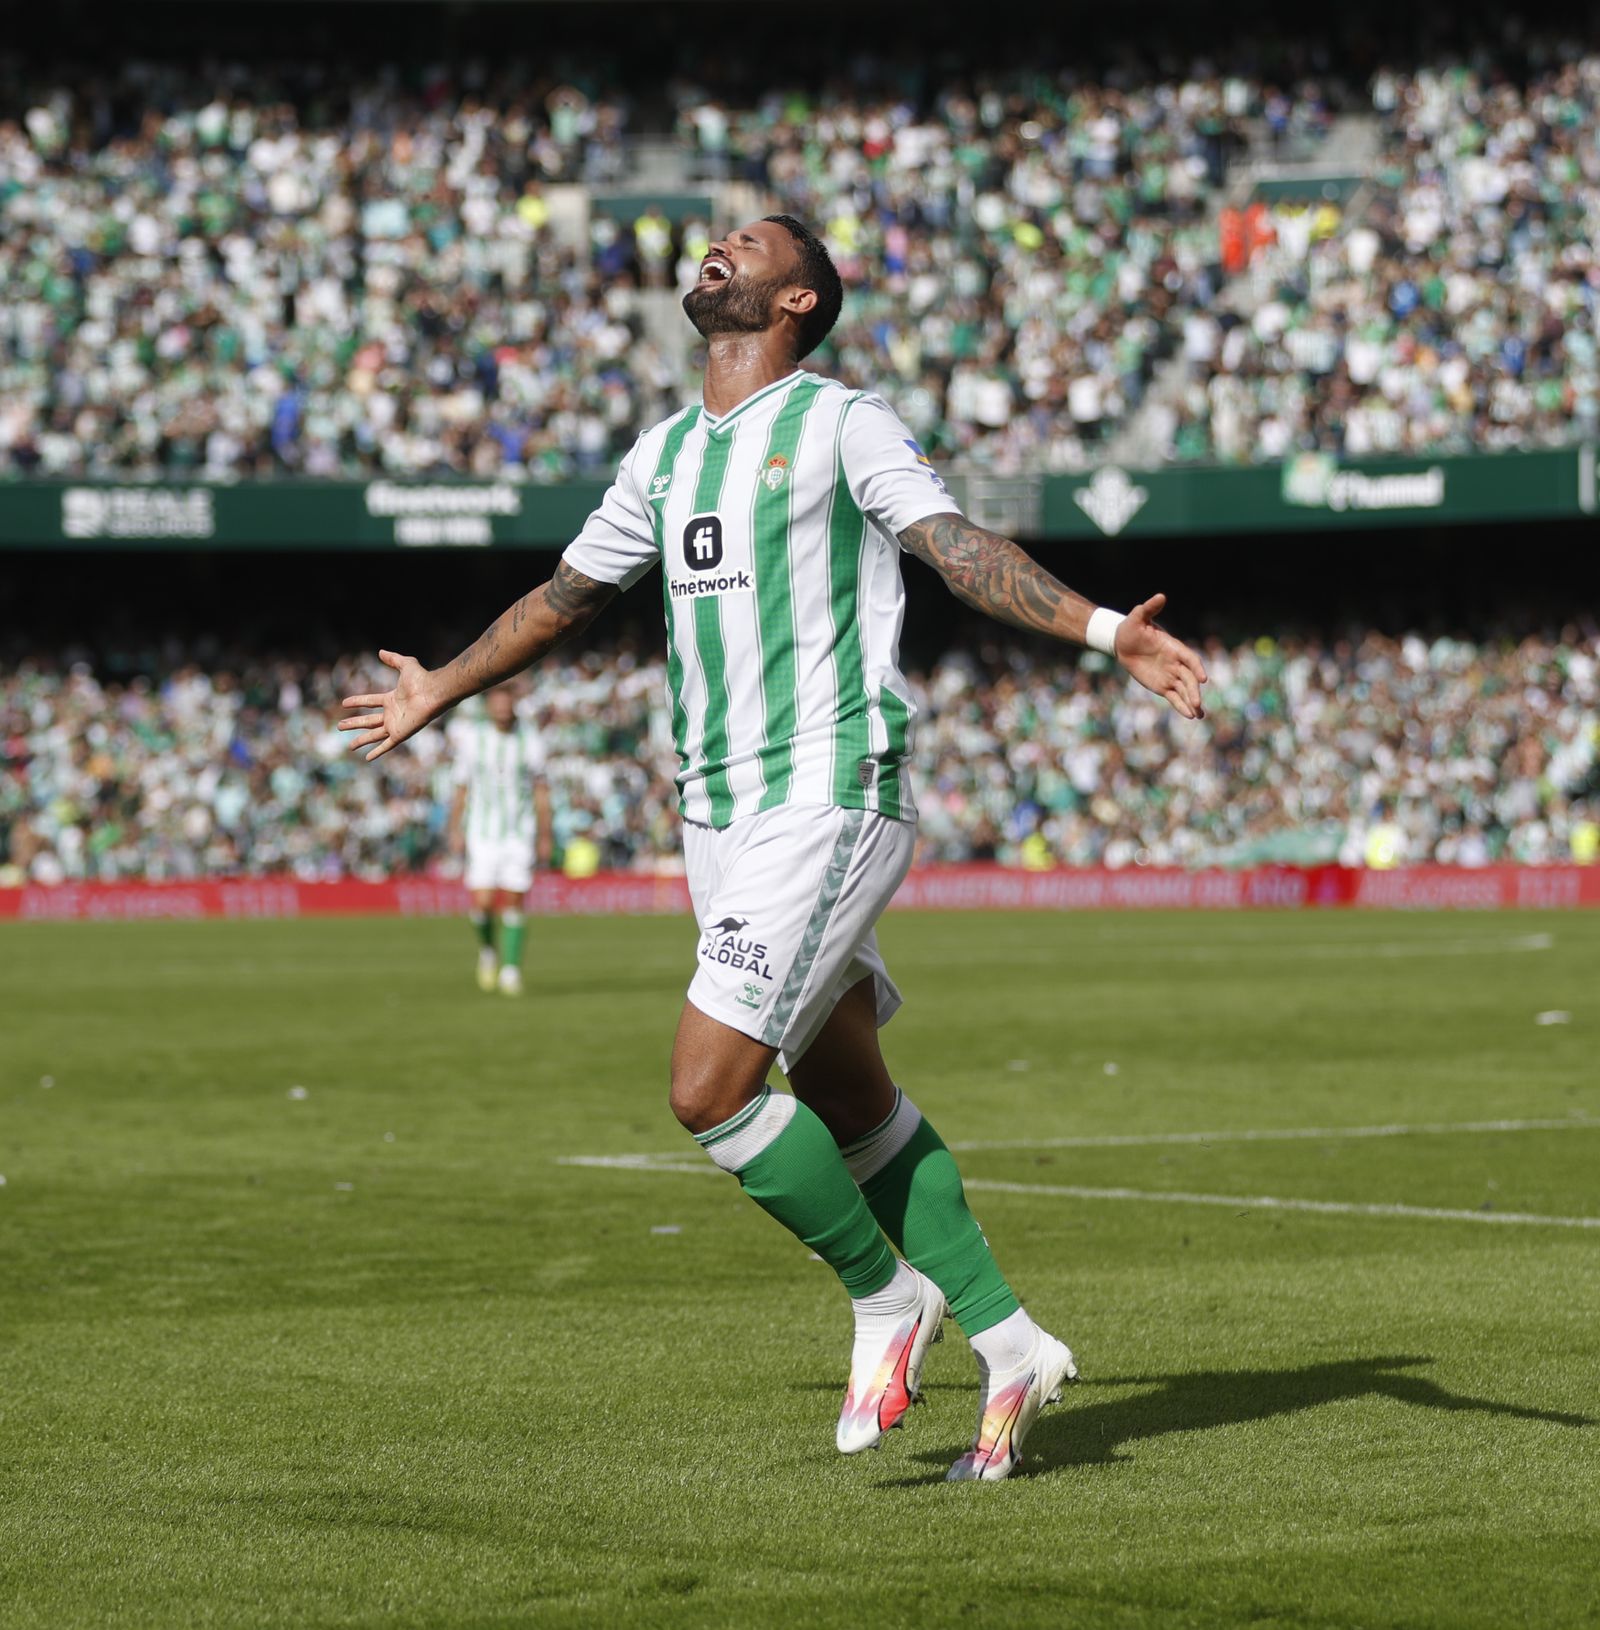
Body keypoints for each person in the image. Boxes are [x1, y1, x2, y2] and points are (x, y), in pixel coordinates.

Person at [341, 215, 1208, 1480]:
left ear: (797, 297)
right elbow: (566, 597)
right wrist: (439, 690)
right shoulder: (663, 455)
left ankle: (883, 1293)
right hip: (717, 812)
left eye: (745, 245)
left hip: (826, 789)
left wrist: (1098, 632)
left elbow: (954, 549)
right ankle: (1012, 1342)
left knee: (707, 1089)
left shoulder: (841, 421)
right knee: (849, 1090)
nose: (715, 249)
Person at [445, 683, 554, 995]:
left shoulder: (531, 742)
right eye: (497, 703)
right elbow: (461, 787)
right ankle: (488, 950)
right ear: (489, 706)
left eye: (507, 703)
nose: (503, 709)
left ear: (513, 705)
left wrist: (545, 834)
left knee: (515, 899)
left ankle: (510, 970)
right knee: (481, 902)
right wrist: (455, 829)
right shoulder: (472, 740)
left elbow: (541, 791)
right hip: (481, 831)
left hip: (520, 832)